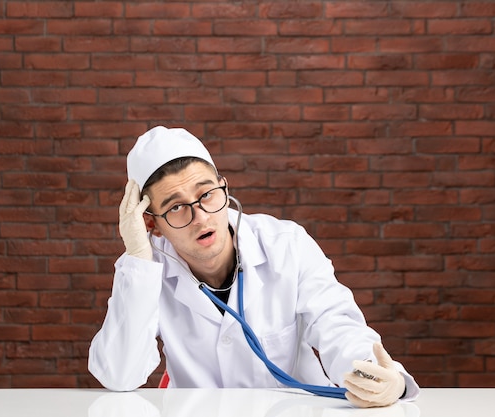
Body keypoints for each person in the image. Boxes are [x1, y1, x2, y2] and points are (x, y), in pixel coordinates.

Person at [88, 126, 420, 408]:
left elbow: (339, 328)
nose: (200, 216)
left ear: (225, 188)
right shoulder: (147, 270)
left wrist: (379, 377)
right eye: (176, 207)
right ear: (152, 223)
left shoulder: (286, 244)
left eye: (207, 195)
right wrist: (137, 258)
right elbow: (119, 375)